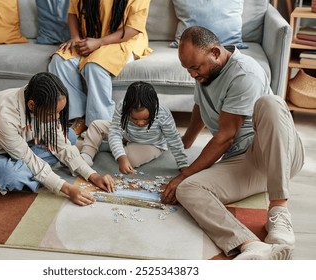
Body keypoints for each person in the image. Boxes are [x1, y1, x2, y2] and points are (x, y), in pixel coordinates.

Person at [161, 26, 305, 260]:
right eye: (187, 68)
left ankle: (279, 212)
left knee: (270, 103)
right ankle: (250, 245)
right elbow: (200, 105)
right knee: (188, 189)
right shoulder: (207, 71)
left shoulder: (244, 73)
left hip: (276, 153)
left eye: (195, 67)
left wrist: (184, 172)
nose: (192, 74)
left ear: (215, 52)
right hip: (244, 161)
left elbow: (225, 137)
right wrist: (187, 140)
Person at [0, 72, 114, 206]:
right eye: (52, 114)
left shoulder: (43, 101)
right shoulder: (4, 112)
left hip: (20, 148)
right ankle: (36, 175)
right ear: (32, 105)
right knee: (12, 176)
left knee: (69, 136)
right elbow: (26, 157)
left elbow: (62, 145)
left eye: (59, 112)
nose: (56, 117)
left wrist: (93, 176)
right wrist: (65, 188)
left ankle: (37, 176)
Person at [48, 0, 151, 135]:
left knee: (94, 65)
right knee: (60, 61)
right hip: (90, 38)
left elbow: (133, 28)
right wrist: (75, 37)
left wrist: (99, 42)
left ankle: (100, 127)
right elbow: (72, 12)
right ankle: (78, 118)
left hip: (124, 41)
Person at [80, 81, 188, 174]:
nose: (140, 123)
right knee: (96, 125)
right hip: (127, 136)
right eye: (135, 119)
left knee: (131, 160)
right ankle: (87, 154)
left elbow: (174, 138)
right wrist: (121, 158)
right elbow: (115, 131)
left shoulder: (162, 113)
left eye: (146, 119)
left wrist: (183, 164)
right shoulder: (123, 106)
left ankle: (105, 146)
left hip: (151, 144)